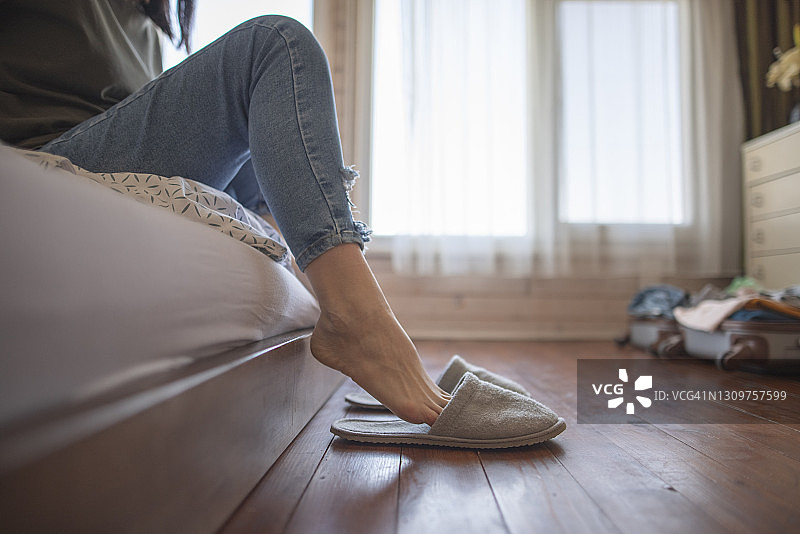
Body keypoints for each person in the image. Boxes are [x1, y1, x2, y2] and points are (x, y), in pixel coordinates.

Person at [0, 0, 449, 425]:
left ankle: (351, 306)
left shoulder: (151, 22)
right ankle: (359, 323)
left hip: (109, 154)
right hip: (45, 152)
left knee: (268, 134)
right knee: (275, 44)